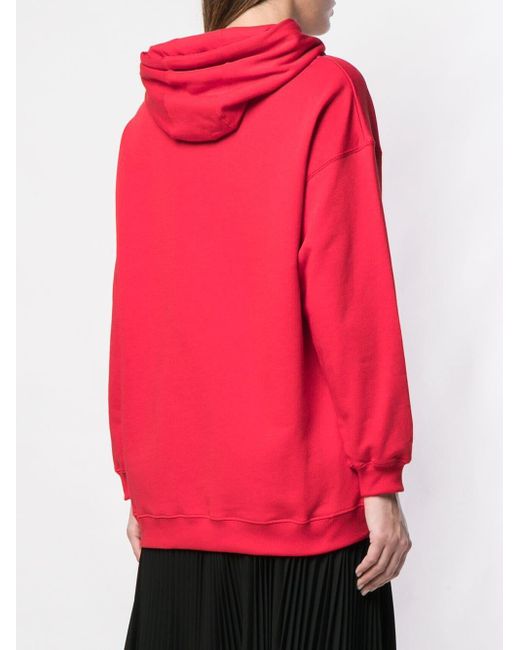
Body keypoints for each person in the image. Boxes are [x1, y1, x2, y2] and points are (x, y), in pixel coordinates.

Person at [108, 1, 414, 647]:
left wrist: (142, 485)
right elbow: (350, 292)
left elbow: (138, 310)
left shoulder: (143, 123)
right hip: (306, 510)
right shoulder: (328, 91)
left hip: (176, 504)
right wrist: (380, 476)